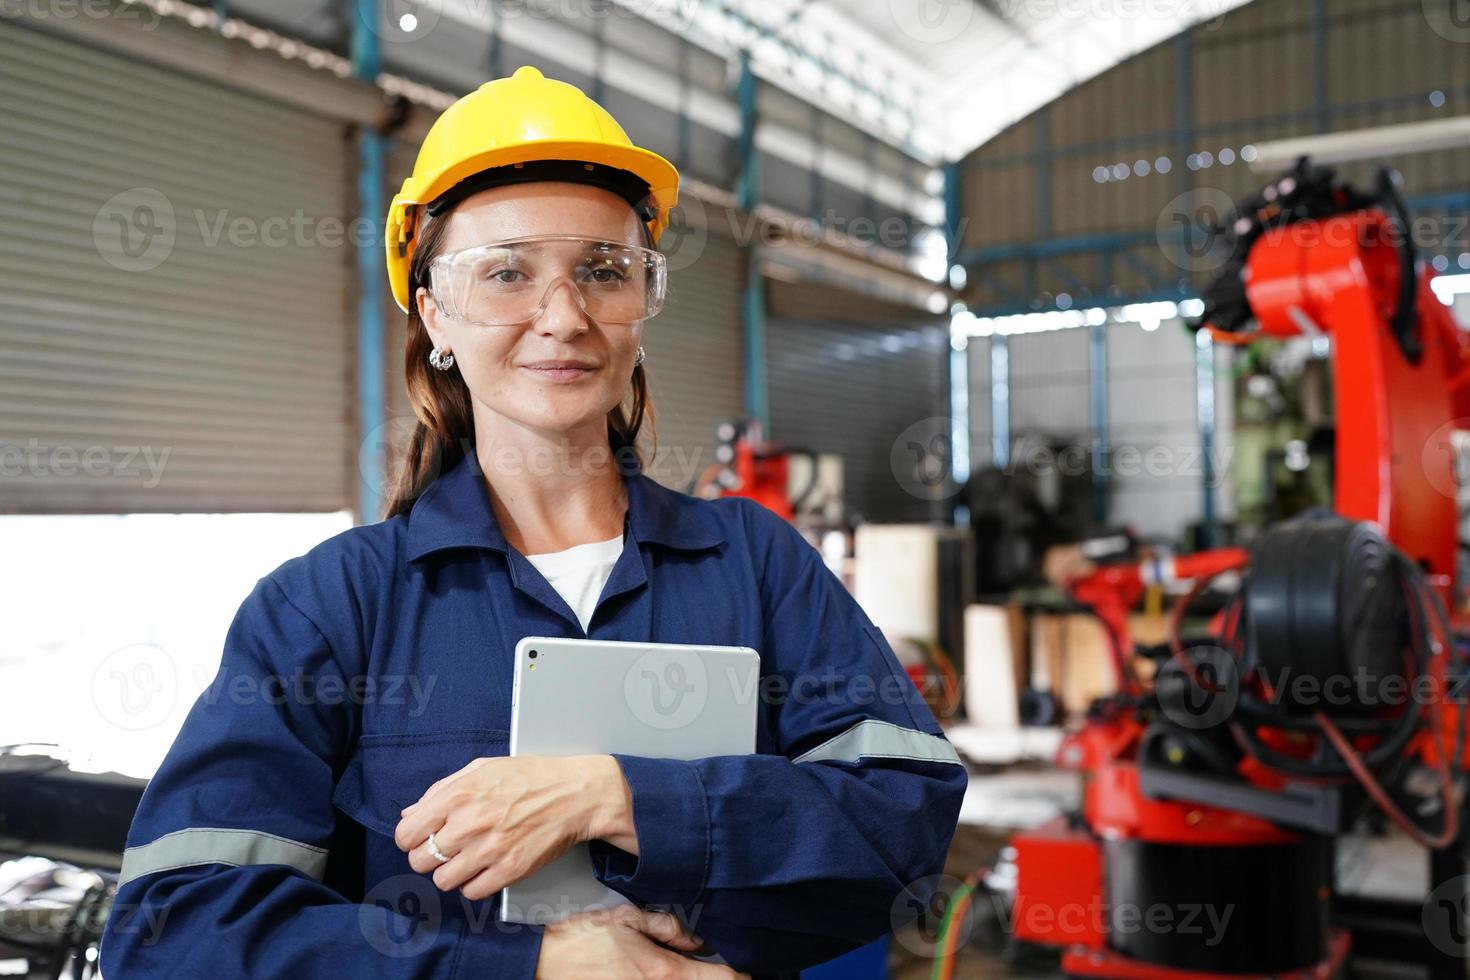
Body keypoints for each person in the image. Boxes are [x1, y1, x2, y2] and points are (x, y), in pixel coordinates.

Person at [100, 66, 967, 979]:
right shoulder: (332, 607)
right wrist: (535, 965)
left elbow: (903, 828)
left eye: (603, 271)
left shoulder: (755, 565)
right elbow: (173, 932)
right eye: (505, 274)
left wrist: (621, 794)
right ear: (434, 311)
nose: (563, 317)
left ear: (642, 303)